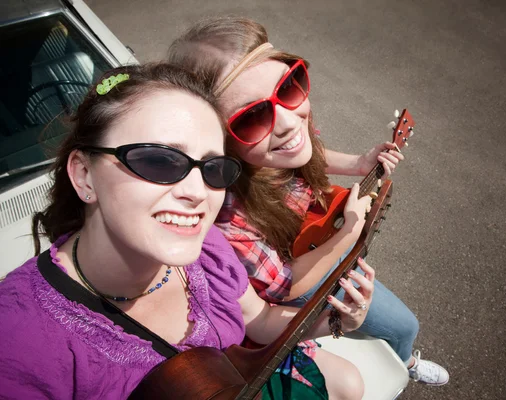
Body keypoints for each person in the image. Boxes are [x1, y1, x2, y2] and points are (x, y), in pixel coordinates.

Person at [0, 63, 377, 400]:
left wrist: (335, 321)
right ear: (84, 175)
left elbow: (259, 321)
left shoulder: (208, 246)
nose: (198, 193)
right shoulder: (18, 339)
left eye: (214, 169)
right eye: (160, 160)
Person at [168, 17, 449, 386]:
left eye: (289, 86)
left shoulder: (277, 143)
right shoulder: (226, 214)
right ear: (217, 140)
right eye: (252, 117)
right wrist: (348, 233)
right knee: (403, 325)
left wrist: (358, 164)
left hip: (315, 241)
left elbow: (305, 154)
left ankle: (401, 358)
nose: (287, 121)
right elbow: (285, 286)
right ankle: (405, 361)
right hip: (303, 273)